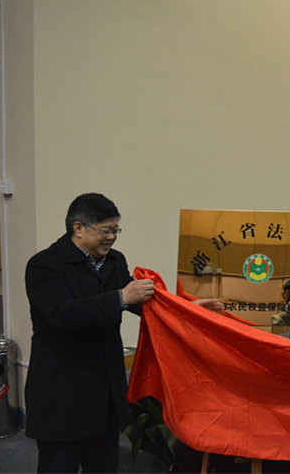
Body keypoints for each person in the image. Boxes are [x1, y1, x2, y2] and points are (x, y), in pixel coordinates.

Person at [24, 193, 221, 473]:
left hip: (104, 391)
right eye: (105, 231)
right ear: (78, 228)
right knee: (58, 466)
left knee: (104, 466)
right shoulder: (44, 265)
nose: (112, 238)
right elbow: (61, 315)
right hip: (63, 392)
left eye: (116, 231)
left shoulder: (114, 261)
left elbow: (145, 304)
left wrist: (188, 309)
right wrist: (119, 298)